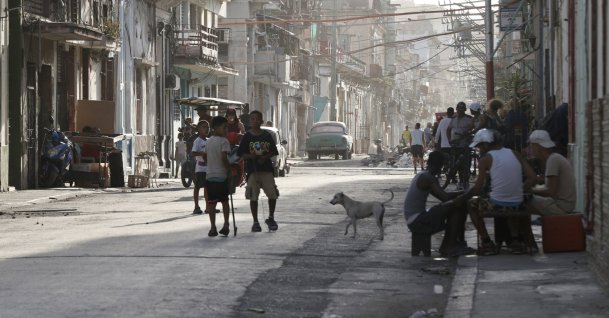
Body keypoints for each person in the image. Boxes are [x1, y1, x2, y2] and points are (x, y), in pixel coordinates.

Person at [454, 129, 536, 255]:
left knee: (471, 204)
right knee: (509, 203)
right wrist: (519, 190)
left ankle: (486, 241)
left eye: (480, 146)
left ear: (486, 145)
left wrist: (463, 197)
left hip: (497, 204)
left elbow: (478, 188)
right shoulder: (515, 153)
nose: (479, 150)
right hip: (518, 202)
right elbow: (532, 177)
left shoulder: (486, 159)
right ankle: (515, 241)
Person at [404, 151, 473, 257]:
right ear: (440, 166)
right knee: (457, 206)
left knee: (454, 205)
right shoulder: (428, 178)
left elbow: (442, 195)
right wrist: (465, 194)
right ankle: (450, 246)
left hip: (414, 219)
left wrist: (460, 192)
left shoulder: (423, 175)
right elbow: (444, 197)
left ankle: (449, 245)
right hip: (418, 221)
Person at [237, 110, 280, 232]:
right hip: (252, 171)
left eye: (257, 119)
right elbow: (242, 154)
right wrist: (252, 157)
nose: (254, 121)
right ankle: (255, 222)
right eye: (252, 119)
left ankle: (271, 217)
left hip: (266, 170)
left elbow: (273, 151)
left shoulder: (266, 135)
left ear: (261, 121)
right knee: (253, 196)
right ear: (250, 121)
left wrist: (265, 157)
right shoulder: (247, 137)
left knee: (272, 194)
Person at [525, 130, 576, 215]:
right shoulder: (555, 158)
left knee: (524, 201)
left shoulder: (553, 160)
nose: (531, 149)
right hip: (565, 205)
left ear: (538, 146)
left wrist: (530, 191)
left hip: (561, 207)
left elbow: (550, 191)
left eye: (532, 145)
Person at [204, 116, 232, 237]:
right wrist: (229, 169)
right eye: (224, 127)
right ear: (215, 128)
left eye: (227, 128)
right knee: (225, 201)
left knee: (211, 203)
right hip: (221, 175)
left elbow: (205, 157)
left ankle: (213, 227)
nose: (226, 130)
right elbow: (223, 158)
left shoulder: (208, 141)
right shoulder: (224, 141)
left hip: (210, 175)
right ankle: (226, 224)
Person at [447, 102, 475, 189]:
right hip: (455, 146)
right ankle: (460, 182)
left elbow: (472, 130)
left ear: (465, 110)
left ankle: (465, 182)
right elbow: (448, 129)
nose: (460, 110)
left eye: (462, 109)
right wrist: (449, 140)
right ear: (456, 109)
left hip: (464, 146)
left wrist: (466, 136)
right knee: (456, 165)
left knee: (465, 165)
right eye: (458, 109)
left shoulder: (469, 119)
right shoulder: (453, 119)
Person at [191, 121, 209, 215]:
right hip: (200, 168)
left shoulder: (209, 140)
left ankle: (208, 207)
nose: (206, 129)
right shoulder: (197, 141)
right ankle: (196, 206)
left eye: (207, 127)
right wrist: (202, 153)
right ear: (199, 129)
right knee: (197, 187)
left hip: (208, 167)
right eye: (204, 127)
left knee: (207, 187)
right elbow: (193, 153)